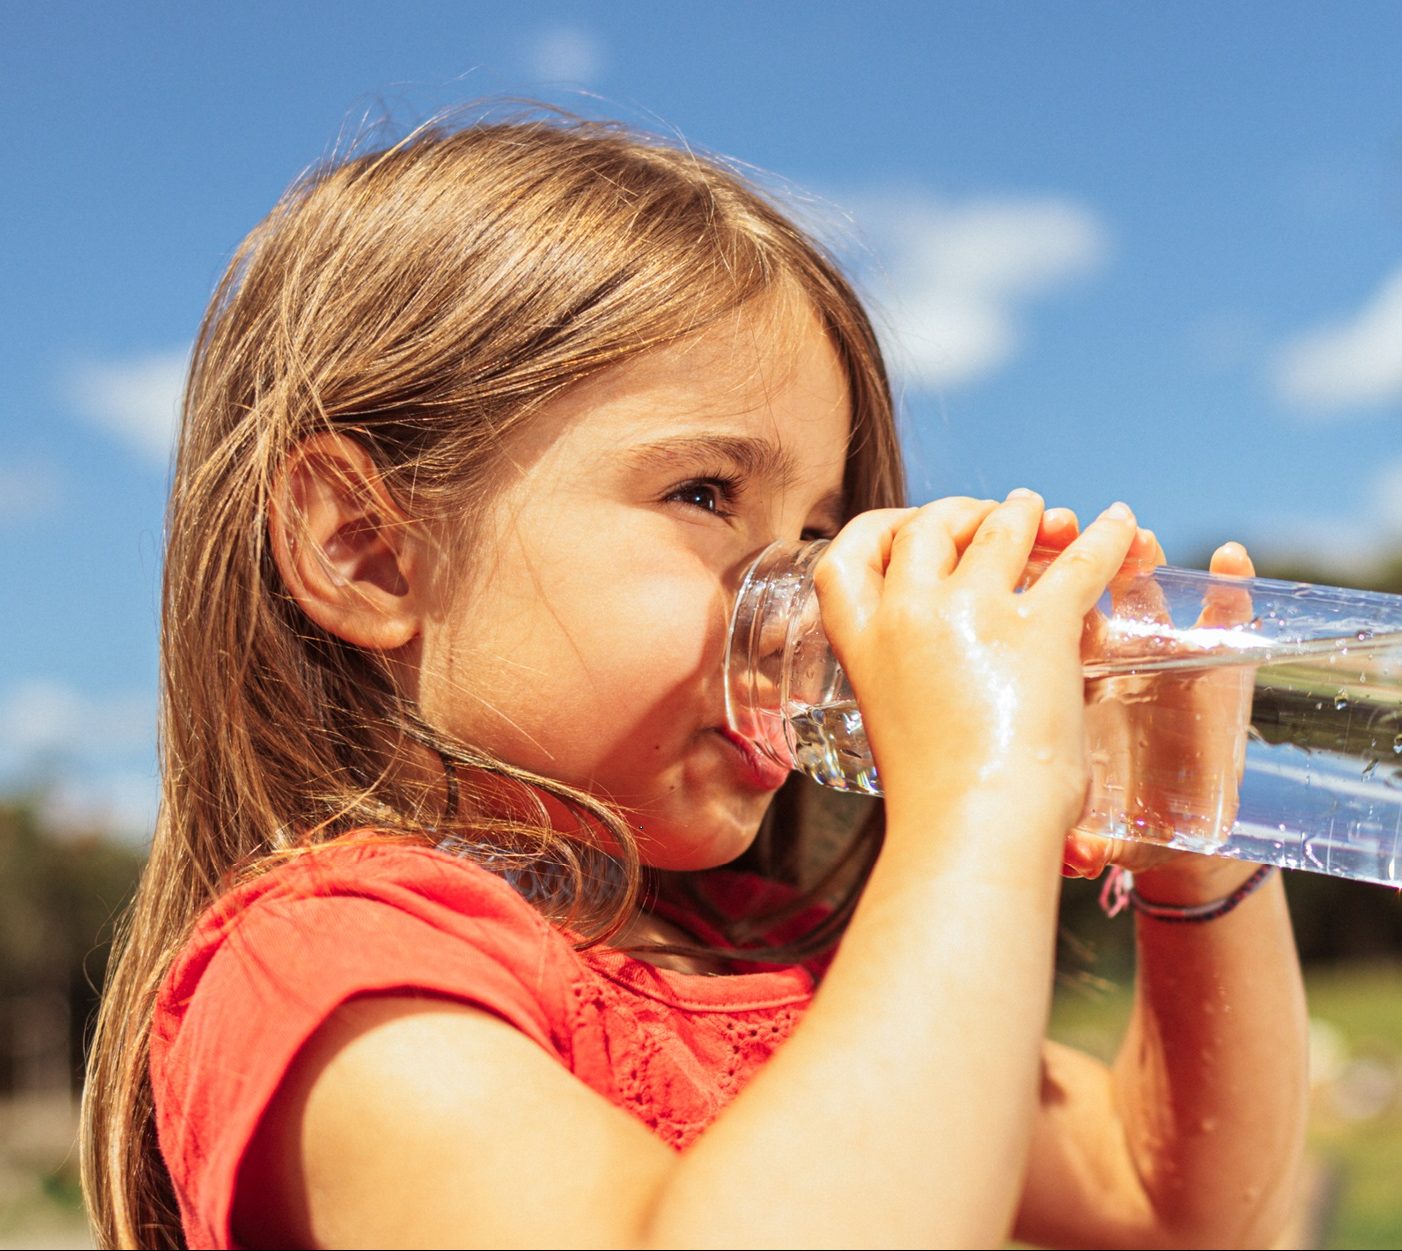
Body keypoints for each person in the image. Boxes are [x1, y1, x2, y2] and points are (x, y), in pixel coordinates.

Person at [81, 110, 1308, 1250]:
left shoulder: (760, 965)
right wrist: (977, 801)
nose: (813, 597)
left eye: (823, 533)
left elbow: (1178, 1197)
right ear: (367, 549)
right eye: (705, 495)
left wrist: (1192, 835)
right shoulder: (331, 975)